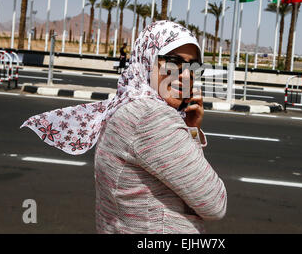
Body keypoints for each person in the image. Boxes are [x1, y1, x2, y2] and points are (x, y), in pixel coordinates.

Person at [21, 21, 227, 234]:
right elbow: (215, 203)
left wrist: (190, 129)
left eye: (193, 66)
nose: (184, 75)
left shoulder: (126, 107)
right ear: (146, 60)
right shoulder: (151, 116)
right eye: (173, 62)